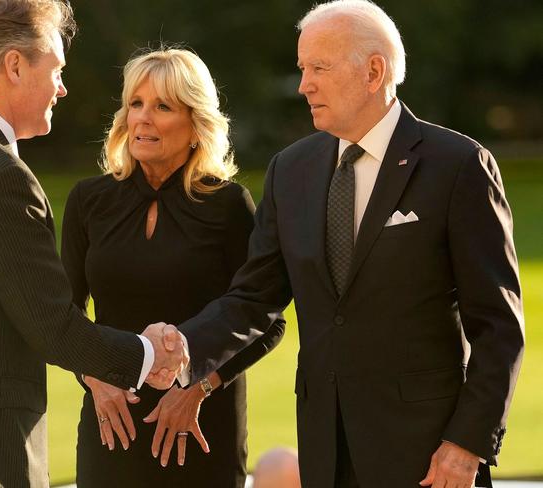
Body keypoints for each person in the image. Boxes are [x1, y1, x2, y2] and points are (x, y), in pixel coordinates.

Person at [177, 1, 525, 487]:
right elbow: (255, 299)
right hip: (326, 452)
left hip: (428, 459)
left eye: (319, 67)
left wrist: (466, 445)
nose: (304, 85)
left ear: (374, 71)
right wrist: (178, 344)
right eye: (302, 69)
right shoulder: (290, 170)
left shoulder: (458, 165)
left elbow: (499, 328)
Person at [0, 1, 186, 486]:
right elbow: (50, 326)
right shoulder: (2, 175)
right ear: (14, 65)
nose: (62, 88)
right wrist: (148, 355)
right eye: (57, 69)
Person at [61, 47, 285, 488]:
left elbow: (267, 321)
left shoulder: (227, 206)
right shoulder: (89, 201)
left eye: (162, 106)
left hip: (197, 426)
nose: (142, 118)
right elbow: (62, 315)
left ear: (196, 125)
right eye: (135, 104)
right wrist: (94, 380)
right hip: (112, 423)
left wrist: (196, 389)